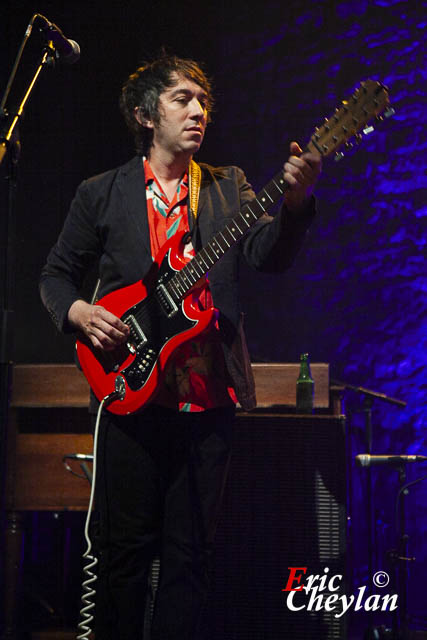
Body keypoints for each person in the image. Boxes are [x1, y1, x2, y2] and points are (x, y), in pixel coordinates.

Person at [40, 55, 321, 640]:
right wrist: (80, 312)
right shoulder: (101, 193)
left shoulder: (228, 187)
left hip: (205, 399)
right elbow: (55, 277)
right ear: (146, 115)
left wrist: (295, 205)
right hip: (130, 395)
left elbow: (268, 256)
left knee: (190, 561)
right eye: (183, 99)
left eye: (204, 102)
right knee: (124, 563)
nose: (199, 111)